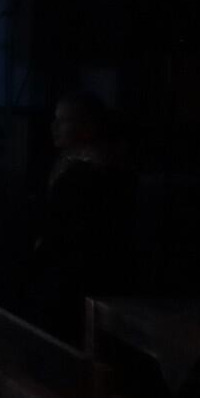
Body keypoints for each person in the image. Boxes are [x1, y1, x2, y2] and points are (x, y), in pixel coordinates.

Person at [20, 90, 135, 341]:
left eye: (64, 120)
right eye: (55, 119)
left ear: (88, 126)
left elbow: (56, 229)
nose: (54, 127)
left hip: (74, 286)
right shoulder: (70, 165)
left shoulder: (89, 175)